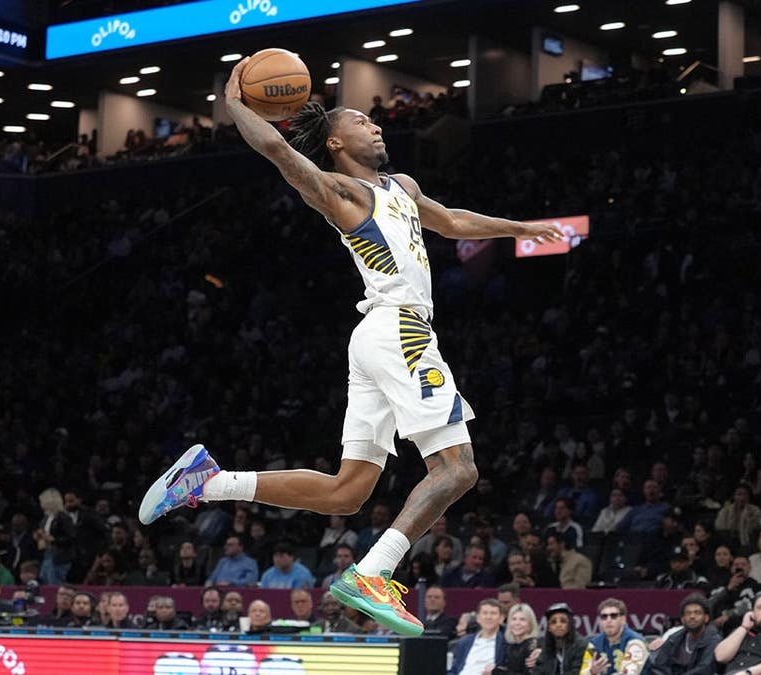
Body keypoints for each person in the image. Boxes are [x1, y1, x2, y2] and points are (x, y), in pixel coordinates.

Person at [138, 56, 563, 638]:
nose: (378, 125)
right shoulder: (342, 193)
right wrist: (236, 101)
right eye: (364, 120)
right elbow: (281, 154)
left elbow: (452, 223)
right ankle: (373, 573)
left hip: (378, 339)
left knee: (347, 492)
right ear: (336, 141)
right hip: (400, 330)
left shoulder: (402, 187)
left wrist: (517, 229)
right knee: (458, 469)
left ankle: (207, 483)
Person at [713, 592, 761, 674]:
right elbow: (720, 656)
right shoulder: (742, 630)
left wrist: (748, 673)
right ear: (752, 612)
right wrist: (744, 627)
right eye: (760, 608)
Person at [649, 594, 722, 675]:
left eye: (697, 613)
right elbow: (660, 666)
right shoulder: (673, 639)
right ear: (682, 619)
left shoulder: (714, 639)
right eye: (688, 613)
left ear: (706, 618)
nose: (692, 616)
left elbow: (705, 669)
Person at [587, 598, 650, 674]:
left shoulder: (636, 643)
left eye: (613, 616)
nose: (608, 620)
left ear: (623, 619)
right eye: (604, 616)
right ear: (600, 621)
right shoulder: (593, 644)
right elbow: (583, 672)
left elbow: (628, 673)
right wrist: (592, 672)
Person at [448, 599, 506, 675]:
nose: (488, 617)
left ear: (501, 618)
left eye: (493, 613)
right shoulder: (464, 642)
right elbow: (454, 669)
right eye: (485, 613)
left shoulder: (506, 642)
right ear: (478, 618)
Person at [534, 603, 590, 675]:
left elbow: (577, 672)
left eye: (563, 621)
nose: (558, 625)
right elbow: (538, 671)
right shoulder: (545, 647)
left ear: (570, 624)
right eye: (553, 622)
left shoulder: (582, 645)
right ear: (549, 628)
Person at [496, 603, 541, 675]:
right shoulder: (510, 645)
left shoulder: (532, 646)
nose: (517, 623)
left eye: (522, 619)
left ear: (530, 624)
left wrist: (495, 672)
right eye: (514, 619)